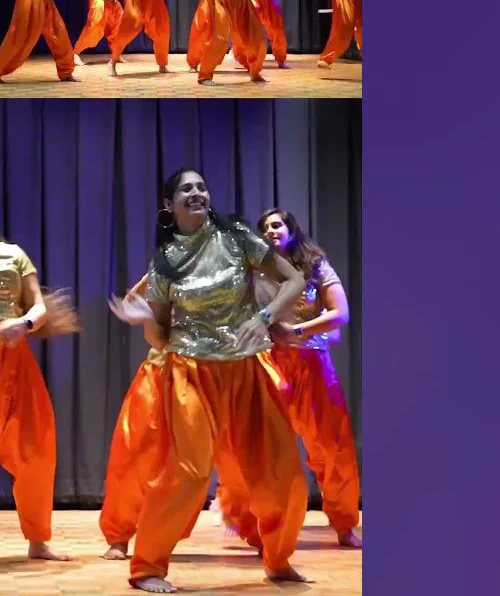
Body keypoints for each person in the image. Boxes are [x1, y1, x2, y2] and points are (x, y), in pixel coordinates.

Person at [108, 169, 311, 593]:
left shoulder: (237, 238)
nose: (197, 193)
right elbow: (161, 338)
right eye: (187, 189)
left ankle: (278, 560)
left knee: (283, 472)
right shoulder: (165, 262)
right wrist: (145, 321)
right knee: (189, 472)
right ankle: (147, 567)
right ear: (170, 205)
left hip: (247, 369)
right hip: (192, 372)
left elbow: (293, 280)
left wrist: (264, 317)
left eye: (202, 186)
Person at [214, 208, 362, 549]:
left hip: (312, 364)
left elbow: (340, 313)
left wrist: (297, 331)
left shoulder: (315, 265)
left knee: (331, 447)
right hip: (269, 363)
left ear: (291, 229)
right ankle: (251, 522)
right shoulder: (254, 270)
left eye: (277, 224)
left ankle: (344, 523)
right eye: (265, 227)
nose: (270, 230)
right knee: (255, 446)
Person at [0, 188, 76, 560]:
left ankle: (38, 540)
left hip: (10, 356)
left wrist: (22, 324)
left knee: (35, 444)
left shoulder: (14, 255)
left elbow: (39, 307)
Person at [98, 278, 201, 560]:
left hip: (201, 377)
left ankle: (267, 541)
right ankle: (119, 536)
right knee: (132, 455)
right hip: (157, 375)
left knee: (193, 462)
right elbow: (133, 306)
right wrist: (149, 285)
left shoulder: (222, 273)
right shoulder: (165, 272)